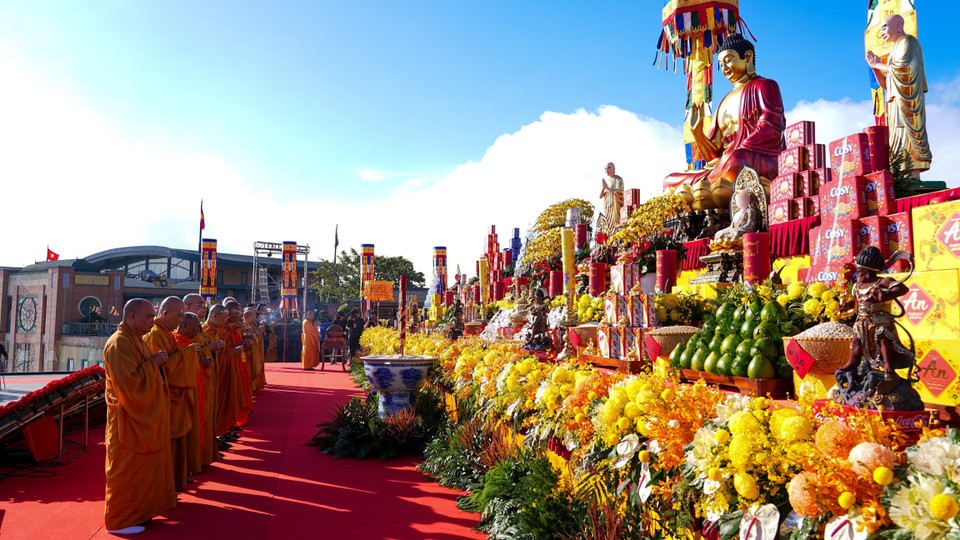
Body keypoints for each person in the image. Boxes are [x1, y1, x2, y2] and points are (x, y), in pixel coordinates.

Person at [664, 33, 786, 209]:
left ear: (748, 57)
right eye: (721, 64)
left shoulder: (765, 85)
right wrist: (697, 132)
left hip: (758, 158)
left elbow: (771, 129)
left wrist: (734, 151)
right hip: (724, 166)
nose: (725, 68)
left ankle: (707, 188)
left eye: (729, 60)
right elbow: (713, 155)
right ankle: (709, 186)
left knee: (735, 159)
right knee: (671, 180)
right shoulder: (724, 102)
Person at [103, 299, 176, 534]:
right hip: (128, 416)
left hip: (141, 415)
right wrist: (154, 363)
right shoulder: (118, 343)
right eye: (148, 317)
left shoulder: (136, 340)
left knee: (143, 468)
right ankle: (120, 520)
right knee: (126, 470)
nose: (152, 322)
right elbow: (128, 384)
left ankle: (141, 512)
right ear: (131, 316)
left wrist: (154, 364)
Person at [835, 247, 924, 411]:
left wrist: (884, 295)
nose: (857, 274)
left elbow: (902, 289)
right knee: (856, 343)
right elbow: (853, 305)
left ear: (867, 271)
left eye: (859, 271)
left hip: (880, 321)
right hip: (861, 322)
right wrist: (843, 306)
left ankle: (889, 369)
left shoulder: (882, 281)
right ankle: (852, 364)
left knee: (883, 339)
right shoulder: (858, 286)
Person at [866, 14, 931, 176]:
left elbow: (903, 69)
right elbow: (887, 84)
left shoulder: (908, 42)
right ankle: (902, 175)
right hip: (895, 101)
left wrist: (879, 64)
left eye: (884, 27)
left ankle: (914, 174)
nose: (881, 32)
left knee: (908, 133)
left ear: (898, 25)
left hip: (908, 99)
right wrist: (875, 68)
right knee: (897, 136)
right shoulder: (895, 48)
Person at [142, 296, 193, 493]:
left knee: (176, 440)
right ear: (164, 314)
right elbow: (163, 368)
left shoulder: (166, 333)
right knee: (168, 440)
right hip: (167, 394)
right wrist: (189, 354)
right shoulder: (155, 334)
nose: (181, 319)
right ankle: (166, 483)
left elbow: (168, 361)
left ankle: (174, 479)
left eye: (182, 315)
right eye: (178, 315)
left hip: (175, 394)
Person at [172, 312, 208, 479]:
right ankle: (183, 468)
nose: (199, 331)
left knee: (196, 425)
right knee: (186, 429)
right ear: (184, 326)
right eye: (196, 327)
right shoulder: (177, 341)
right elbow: (173, 368)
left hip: (195, 389)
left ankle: (190, 464)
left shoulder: (189, 342)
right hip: (182, 394)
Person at [599, 162, 624, 233]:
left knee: (616, 223)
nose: (607, 170)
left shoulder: (618, 179)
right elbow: (600, 196)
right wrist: (604, 188)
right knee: (608, 225)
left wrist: (607, 187)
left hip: (615, 205)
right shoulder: (607, 181)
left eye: (609, 168)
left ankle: (616, 238)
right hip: (607, 207)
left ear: (614, 169)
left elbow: (619, 191)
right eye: (606, 169)